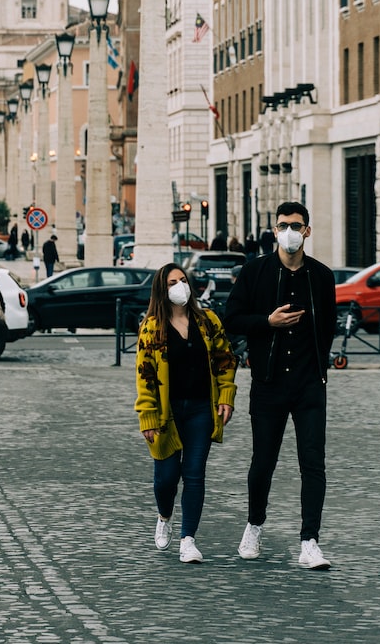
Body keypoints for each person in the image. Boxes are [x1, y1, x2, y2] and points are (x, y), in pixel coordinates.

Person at [223, 201, 336, 570]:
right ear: (275, 230)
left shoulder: (321, 276)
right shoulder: (255, 272)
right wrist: (266, 322)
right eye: (283, 224)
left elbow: (329, 326)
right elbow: (232, 319)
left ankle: (310, 542)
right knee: (263, 462)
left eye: (297, 225)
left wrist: (319, 367)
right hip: (269, 382)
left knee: (313, 463)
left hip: (308, 385)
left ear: (307, 231)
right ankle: (254, 526)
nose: (290, 230)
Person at [135, 264, 239, 563]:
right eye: (172, 282)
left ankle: (188, 539)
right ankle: (164, 515)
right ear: (162, 289)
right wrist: (148, 416)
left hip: (200, 410)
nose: (179, 286)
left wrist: (226, 396)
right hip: (167, 413)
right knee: (166, 478)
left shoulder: (207, 321)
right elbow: (145, 376)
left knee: (194, 474)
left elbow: (225, 359)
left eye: (183, 280)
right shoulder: (153, 327)